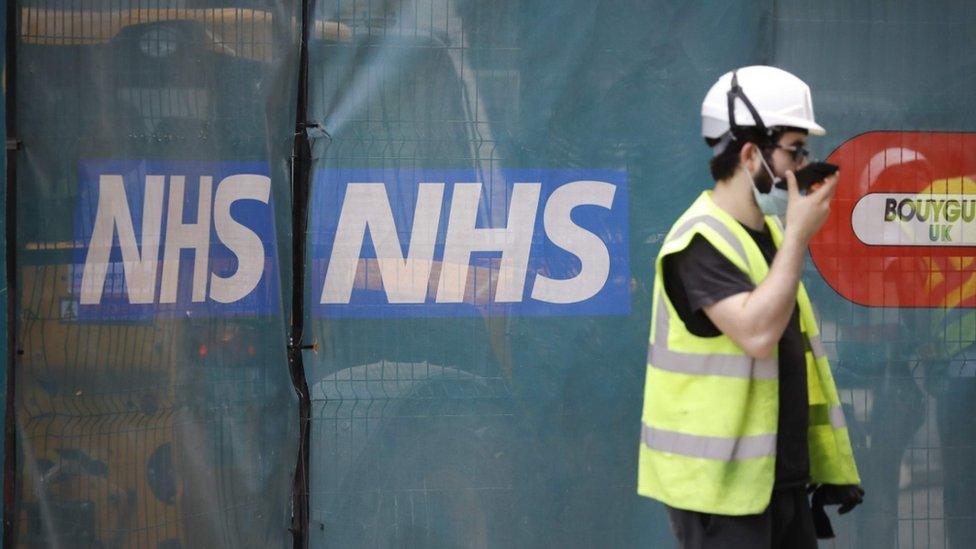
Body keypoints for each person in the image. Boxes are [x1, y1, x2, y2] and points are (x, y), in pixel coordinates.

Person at [637, 66, 865, 548]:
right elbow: (757, 334)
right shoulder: (698, 242)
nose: (804, 165)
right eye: (794, 150)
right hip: (720, 495)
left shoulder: (771, 235)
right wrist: (800, 237)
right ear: (749, 155)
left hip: (776, 485)